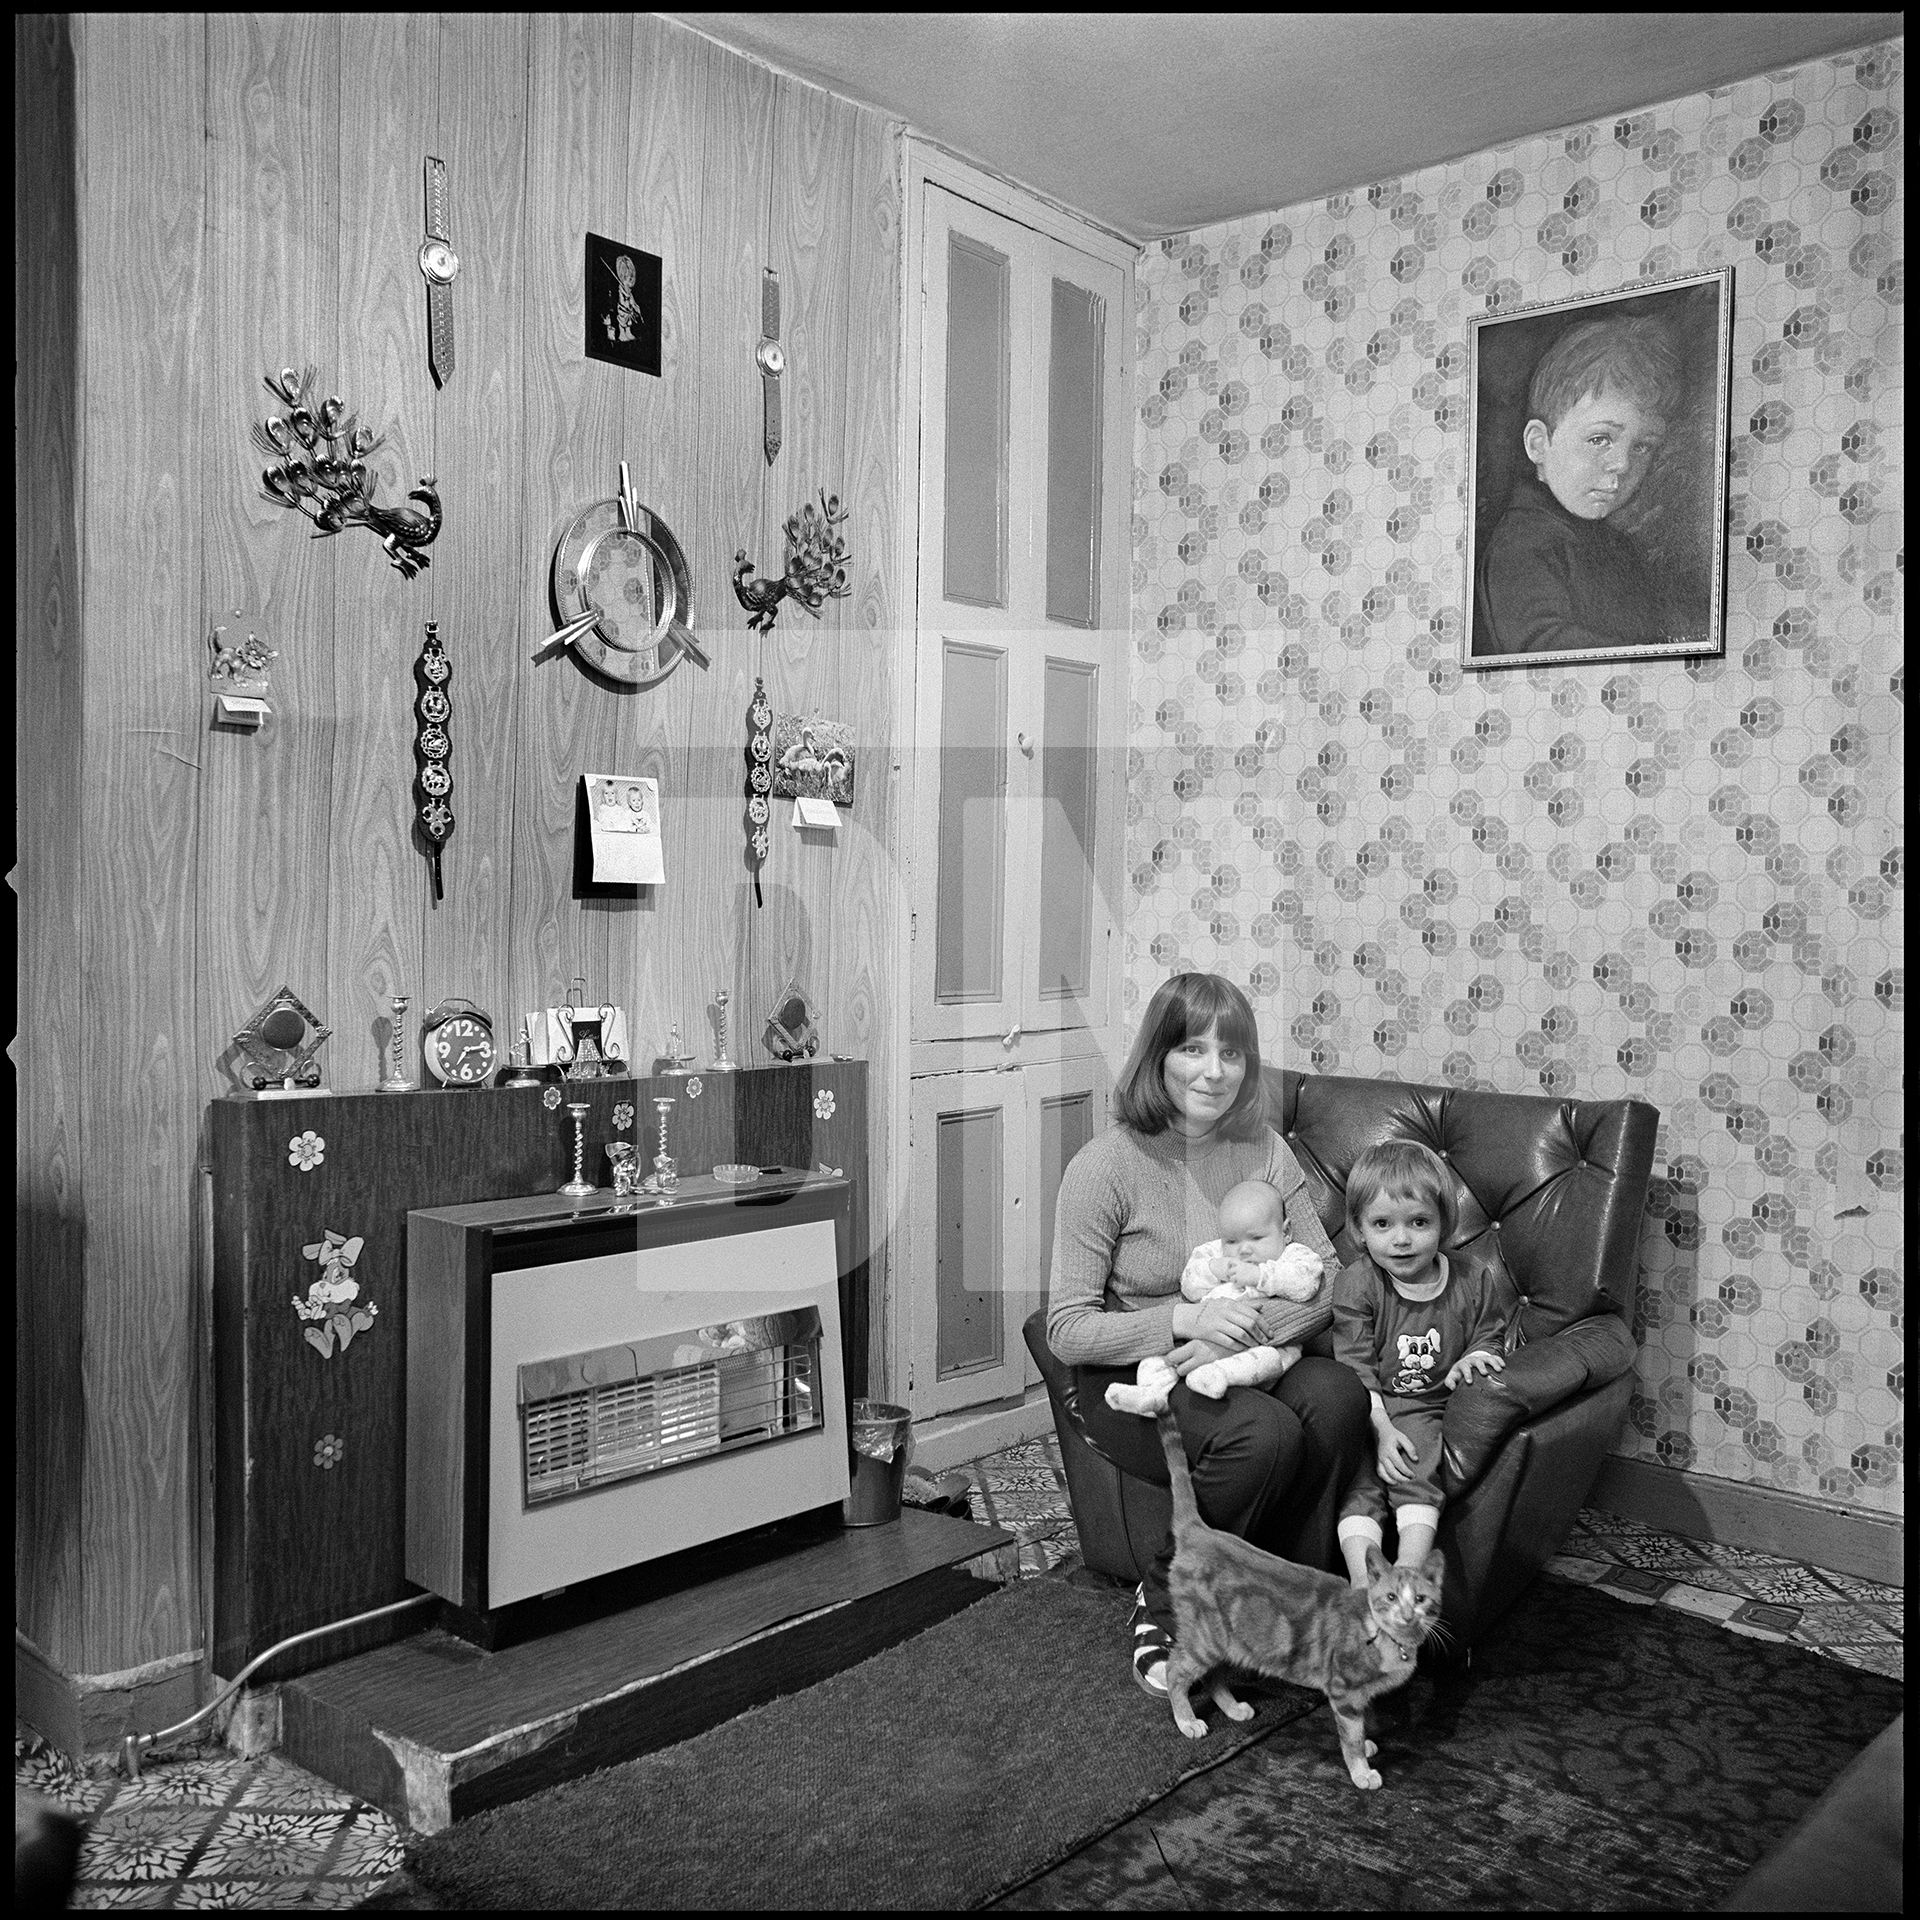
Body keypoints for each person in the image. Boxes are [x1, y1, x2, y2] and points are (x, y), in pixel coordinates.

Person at [1047, 972, 1371, 1697]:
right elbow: (1067, 1328)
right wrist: (1184, 1322)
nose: (1214, 1070)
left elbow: (1325, 1274)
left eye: (1232, 1053)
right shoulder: (1103, 1167)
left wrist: (1237, 1334)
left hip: (1245, 1346)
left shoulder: (1263, 1150)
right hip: (1133, 1372)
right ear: (1157, 1056)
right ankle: (1164, 1599)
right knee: (1264, 1436)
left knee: (1341, 1396)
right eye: (1193, 1048)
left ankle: (1290, 1605)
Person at [1331, 1141, 1509, 1586]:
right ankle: (1362, 1586)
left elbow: (1491, 1332)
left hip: (1422, 1406)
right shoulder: (1357, 1283)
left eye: (1419, 1222)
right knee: (1359, 1484)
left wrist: (1475, 1357)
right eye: (1382, 1224)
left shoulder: (1471, 1277)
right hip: (1364, 1403)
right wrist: (1380, 1429)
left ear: (1444, 1223)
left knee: (1414, 1463)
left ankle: (1409, 1575)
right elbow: (1353, 1365)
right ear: (1359, 1229)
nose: (1402, 1238)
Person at [1473, 313, 1682, 655]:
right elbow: (1539, 647)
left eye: (1642, 446)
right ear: (1539, 444)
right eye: (1600, 439)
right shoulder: (1522, 546)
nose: (1623, 463)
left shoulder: (1618, 549)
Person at [1102, 1179, 1325, 1410]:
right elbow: (1189, 1284)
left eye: (1257, 1238)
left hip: (1264, 1347)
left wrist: (1260, 1275)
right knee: (1157, 1359)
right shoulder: (1216, 1252)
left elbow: (1306, 1285)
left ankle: (1217, 1375)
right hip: (1199, 1337)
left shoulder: (1294, 1255)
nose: (1243, 1250)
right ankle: (1151, 1395)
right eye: (1232, 1241)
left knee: (1266, 1359)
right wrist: (1213, 1269)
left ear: (1286, 1231)